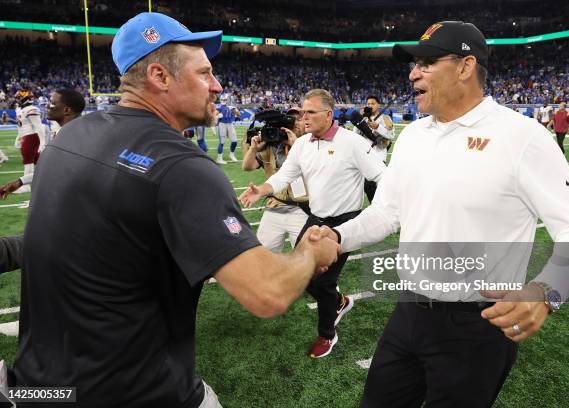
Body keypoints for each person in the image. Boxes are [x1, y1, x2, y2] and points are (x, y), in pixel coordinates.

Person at [10, 12, 339, 408]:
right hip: (135, 390)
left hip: (38, 387)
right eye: (204, 73)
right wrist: (310, 252)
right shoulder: (182, 167)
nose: (217, 86)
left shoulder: (74, 133)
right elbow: (266, 293)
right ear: (159, 77)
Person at [311, 21, 569, 407]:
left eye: (426, 63)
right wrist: (338, 236)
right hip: (409, 311)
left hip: (477, 326)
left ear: (466, 67)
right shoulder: (414, 136)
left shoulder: (522, 137)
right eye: (413, 64)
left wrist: (546, 291)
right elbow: (387, 211)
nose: (413, 72)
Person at [239, 89, 386, 358]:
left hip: (344, 223)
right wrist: (262, 189)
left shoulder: (352, 142)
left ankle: (327, 335)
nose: (304, 117)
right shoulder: (303, 143)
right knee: (303, 275)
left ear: (328, 115)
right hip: (314, 219)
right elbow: (285, 175)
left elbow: (381, 175)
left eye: (310, 112)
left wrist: (385, 208)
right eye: (303, 111)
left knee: (326, 281)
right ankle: (340, 303)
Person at [241, 107, 309, 252]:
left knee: (305, 256)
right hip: (275, 205)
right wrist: (253, 148)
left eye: (298, 118)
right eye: (291, 119)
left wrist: (296, 146)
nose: (295, 122)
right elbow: (247, 167)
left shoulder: (311, 143)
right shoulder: (272, 143)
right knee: (263, 254)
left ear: (306, 121)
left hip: (302, 209)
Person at [0, 89, 85, 199]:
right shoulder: (63, 132)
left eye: (52, 103)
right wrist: (19, 182)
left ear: (66, 110)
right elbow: (52, 170)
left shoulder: (75, 136)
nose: (47, 106)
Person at [352, 95, 395, 202]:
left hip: (378, 156)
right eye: (368, 104)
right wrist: (360, 120)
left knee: (375, 186)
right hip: (364, 156)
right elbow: (354, 134)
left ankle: (379, 207)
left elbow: (391, 135)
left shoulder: (385, 118)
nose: (370, 106)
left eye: (373, 103)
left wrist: (378, 127)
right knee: (366, 186)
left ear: (378, 105)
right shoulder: (364, 118)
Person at [13, 89, 46, 194]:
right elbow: (20, 126)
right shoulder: (20, 109)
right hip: (26, 136)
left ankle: (26, 186)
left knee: (28, 162)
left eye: (19, 98)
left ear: (26, 98)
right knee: (37, 162)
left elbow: (38, 127)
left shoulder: (31, 109)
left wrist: (42, 142)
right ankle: (45, 180)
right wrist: (19, 137)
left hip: (31, 136)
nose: (17, 100)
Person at [215, 94, 239, 163]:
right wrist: (217, 116)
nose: (223, 101)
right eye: (222, 99)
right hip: (222, 124)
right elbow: (214, 114)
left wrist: (237, 112)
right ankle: (219, 158)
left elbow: (238, 115)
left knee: (234, 141)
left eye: (225, 100)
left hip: (230, 124)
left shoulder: (232, 107)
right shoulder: (220, 107)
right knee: (222, 142)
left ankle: (231, 154)